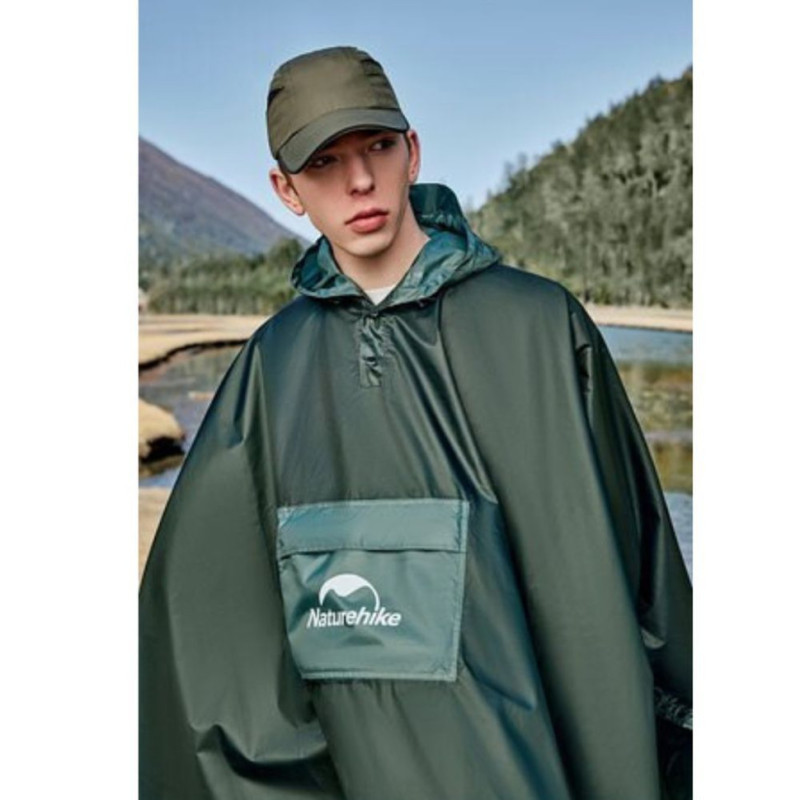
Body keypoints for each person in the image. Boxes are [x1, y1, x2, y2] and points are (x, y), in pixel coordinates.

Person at [139, 45, 692, 800]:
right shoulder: (271, 370)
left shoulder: (540, 329)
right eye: (323, 163)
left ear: (413, 152)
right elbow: (206, 648)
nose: (359, 181)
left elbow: (644, 584)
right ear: (286, 190)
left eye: (377, 146)